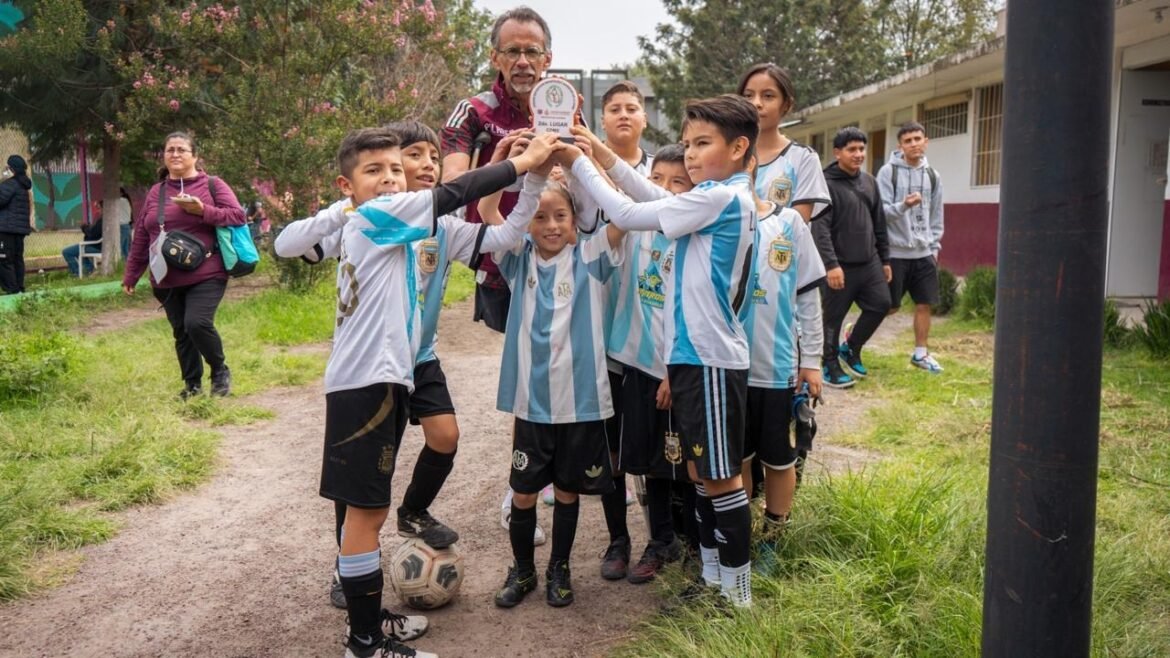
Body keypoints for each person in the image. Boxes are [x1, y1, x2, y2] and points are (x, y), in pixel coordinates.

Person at [275, 126, 557, 658]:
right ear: (348, 184)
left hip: (388, 377)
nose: (391, 178)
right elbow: (452, 193)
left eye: (395, 170)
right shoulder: (378, 216)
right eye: (375, 170)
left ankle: (371, 622)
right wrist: (523, 163)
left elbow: (500, 232)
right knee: (364, 515)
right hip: (367, 383)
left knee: (369, 510)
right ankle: (364, 644)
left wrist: (536, 175)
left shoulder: (393, 221)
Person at [323, 120, 542, 610]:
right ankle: (347, 565)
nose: (425, 166)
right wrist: (508, 165)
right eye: (413, 157)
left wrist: (529, 182)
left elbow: (506, 235)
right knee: (362, 484)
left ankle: (415, 510)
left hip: (418, 358)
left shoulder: (443, 227)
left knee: (445, 437)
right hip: (376, 367)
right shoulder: (385, 216)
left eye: (432, 157)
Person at [557, 95, 761, 608]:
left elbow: (628, 210)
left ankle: (736, 595)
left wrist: (573, 160)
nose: (690, 156)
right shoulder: (716, 196)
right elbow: (648, 191)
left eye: (703, 144)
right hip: (695, 358)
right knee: (701, 473)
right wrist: (600, 151)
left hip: (710, 358)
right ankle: (713, 580)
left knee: (720, 478)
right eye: (688, 144)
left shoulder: (722, 198)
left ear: (739, 147)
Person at [492, 167, 627, 610]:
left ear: (575, 220)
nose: (551, 225)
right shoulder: (517, 257)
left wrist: (578, 164)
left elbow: (625, 216)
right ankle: (524, 569)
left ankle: (559, 568)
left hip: (582, 403)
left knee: (568, 492)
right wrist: (516, 165)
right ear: (528, 222)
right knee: (524, 492)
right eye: (541, 217)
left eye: (561, 216)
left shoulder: (590, 256)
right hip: (532, 405)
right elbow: (489, 209)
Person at [575, 135, 697, 584]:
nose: (664, 188)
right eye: (656, 180)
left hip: (666, 369)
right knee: (615, 458)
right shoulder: (632, 227)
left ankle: (663, 541)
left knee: (664, 462)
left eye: (677, 182)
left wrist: (673, 369)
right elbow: (595, 260)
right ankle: (618, 540)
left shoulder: (693, 238)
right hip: (620, 361)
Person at [440, 6, 554, 333]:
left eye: (532, 51)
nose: (522, 61)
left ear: (547, 59)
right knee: (511, 354)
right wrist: (506, 163)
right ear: (494, 57)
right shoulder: (473, 111)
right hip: (496, 256)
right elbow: (453, 183)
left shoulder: (565, 110)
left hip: (552, 252)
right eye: (512, 51)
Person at [122, 132, 247, 399]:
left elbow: (237, 215)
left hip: (207, 271)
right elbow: (144, 235)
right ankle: (192, 386)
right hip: (165, 276)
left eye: (182, 150)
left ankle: (219, 370)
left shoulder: (212, 185)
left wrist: (203, 211)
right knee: (181, 331)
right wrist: (132, 274)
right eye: (170, 150)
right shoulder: (157, 191)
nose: (175, 154)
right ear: (164, 157)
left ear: (195, 156)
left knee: (196, 323)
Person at [739, 182, 825, 553]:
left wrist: (812, 360)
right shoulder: (710, 219)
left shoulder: (788, 222)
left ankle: (772, 541)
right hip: (728, 370)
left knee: (777, 457)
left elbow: (807, 296)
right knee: (736, 459)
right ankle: (738, 534)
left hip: (776, 368)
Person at [813, 127, 892, 389]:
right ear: (837, 153)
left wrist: (885, 259)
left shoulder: (869, 181)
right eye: (852, 150)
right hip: (839, 265)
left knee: (881, 304)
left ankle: (852, 347)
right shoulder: (824, 183)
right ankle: (829, 364)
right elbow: (820, 228)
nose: (858, 154)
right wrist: (830, 265)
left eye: (861, 149)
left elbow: (879, 222)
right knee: (832, 319)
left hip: (868, 261)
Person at [878, 121, 945, 373]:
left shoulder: (932, 176)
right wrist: (904, 205)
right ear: (900, 146)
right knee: (890, 307)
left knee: (924, 303)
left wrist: (934, 247)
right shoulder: (888, 172)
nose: (914, 144)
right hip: (896, 251)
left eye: (918, 139)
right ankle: (856, 332)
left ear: (926, 142)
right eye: (908, 141)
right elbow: (881, 214)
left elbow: (937, 214)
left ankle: (920, 354)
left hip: (924, 252)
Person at [738, 63, 830, 223]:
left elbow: (796, 226)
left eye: (768, 96)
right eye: (748, 96)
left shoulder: (803, 158)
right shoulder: (726, 154)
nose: (756, 103)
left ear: (786, 104)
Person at [0, 154, 33, 295]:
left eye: (7, 167)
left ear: (11, 168)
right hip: (19, 230)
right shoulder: (22, 185)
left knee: (4, 260)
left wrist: (2, 181)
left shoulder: (9, 184)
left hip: (6, 229)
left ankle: (12, 290)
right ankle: (19, 287)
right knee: (17, 259)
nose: (5, 169)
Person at [63, 201, 103, 276]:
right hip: (95, 245)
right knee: (79, 251)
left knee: (66, 252)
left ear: (104, 209)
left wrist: (84, 227)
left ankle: (78, 273)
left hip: (95, 246)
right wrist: (88, 227)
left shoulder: (102, 221)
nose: (98, 211)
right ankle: (89, 270)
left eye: (99, 208)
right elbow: (94, 232)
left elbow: (92, 234)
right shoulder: (104, 220)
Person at [112, 187, 133, 260]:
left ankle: (123, 266)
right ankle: (127, 266)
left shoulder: (121, 201)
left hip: (122, 227)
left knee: (120, 249)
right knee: (125, 249)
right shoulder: (126, 201)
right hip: (127, 227)